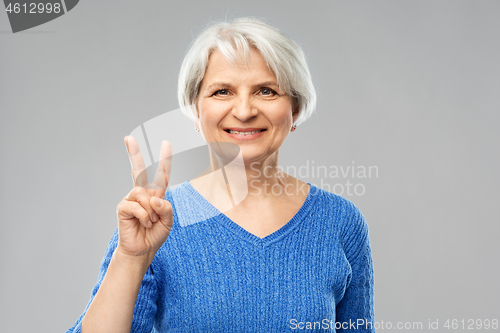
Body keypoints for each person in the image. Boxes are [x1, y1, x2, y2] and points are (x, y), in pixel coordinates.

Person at [67, 17, 375, 333]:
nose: (244, 111)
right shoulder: (154, 220)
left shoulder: (341, 222)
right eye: (222, 91)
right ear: (195, 110)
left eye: (266, 91)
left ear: (294, 109)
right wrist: (131, 258)